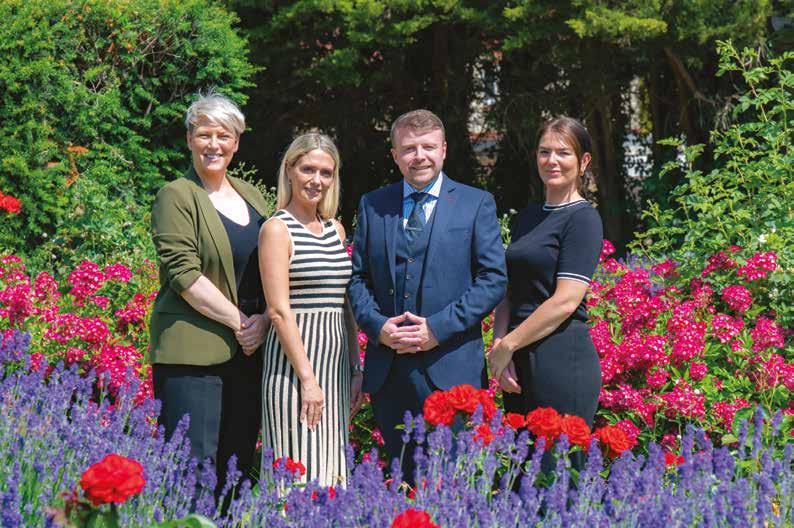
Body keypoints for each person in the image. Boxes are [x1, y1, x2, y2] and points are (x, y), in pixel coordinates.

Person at [348, 109, 507, 478]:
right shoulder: (373, 204)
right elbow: (358, 279)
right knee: (401, 482)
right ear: (395, 155)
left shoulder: (475, 203)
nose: (419, 156)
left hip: (452, 369)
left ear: (444, 150)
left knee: (452, 484)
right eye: (409, 149)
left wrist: (437, 328)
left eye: (428, 147)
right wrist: (378, 327)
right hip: (390, 374)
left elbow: (493, 280)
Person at [149, 91, 270, 494]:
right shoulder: (176, 195)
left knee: (235, 474)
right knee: (192, 477)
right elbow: (184, 275)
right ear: (189, 139)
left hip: (249, 355)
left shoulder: (253, 196)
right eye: (204, 134)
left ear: (236, 142)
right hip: (193, 358)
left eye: (223, 135)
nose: (213, 144)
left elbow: (274, 265)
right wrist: (242, 323)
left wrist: (265, 321)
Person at [488, 116, 603, 470]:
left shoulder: (583, 220)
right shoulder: (528, 217)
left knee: (557, 474)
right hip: (518, 358)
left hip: (560, 359)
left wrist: (509, 344)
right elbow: (510, 289)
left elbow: (565, 301)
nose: (552, 160)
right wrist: (499, 344)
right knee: (522, 474)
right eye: (544, 152)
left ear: (583, 161)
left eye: (563, 153)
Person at [258, 133, 364, 487]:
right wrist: (307, 379)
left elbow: (345, 307)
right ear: (289, 170)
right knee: (295, 477)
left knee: (332, 473)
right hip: (293, 371)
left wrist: (355, 368)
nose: (316, 180)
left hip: (334, 370)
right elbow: (278, 311)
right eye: (308, 169)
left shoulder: (336, 230)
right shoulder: (276, 230)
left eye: (326, 172)